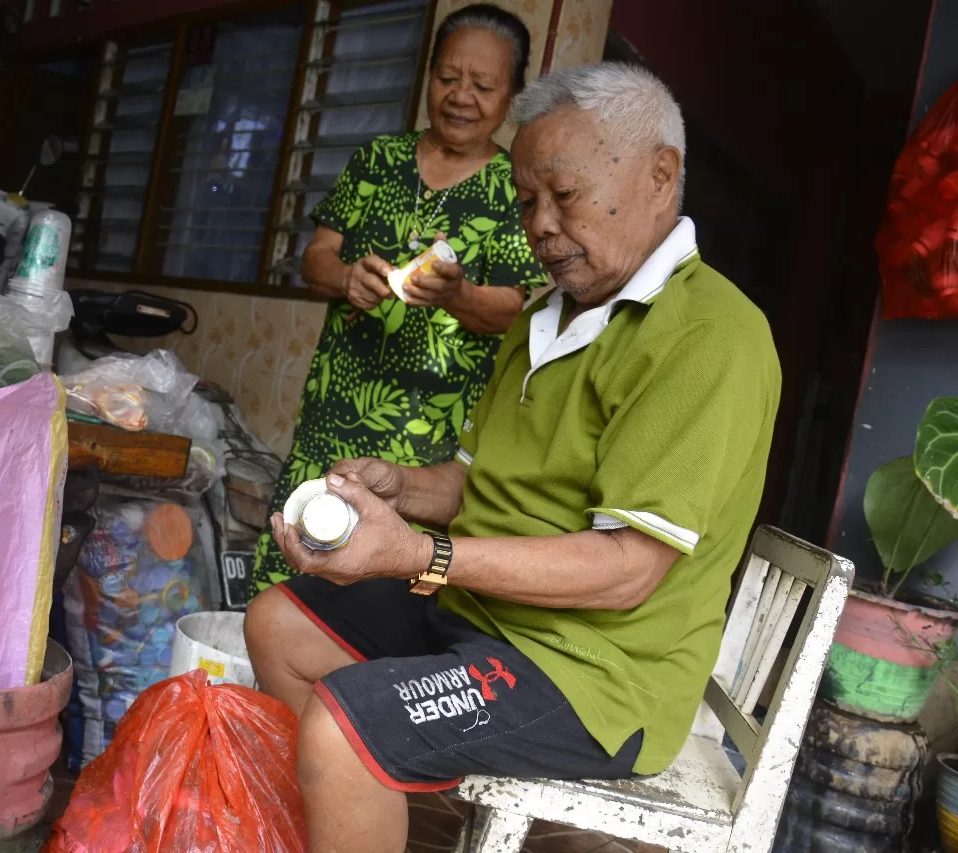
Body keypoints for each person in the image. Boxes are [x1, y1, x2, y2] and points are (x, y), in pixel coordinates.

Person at [244, 62, 782, 853]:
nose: (540, 225)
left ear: (661, 176)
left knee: (345, 727)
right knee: (276, 623)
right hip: (483, 622)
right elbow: (472, 483)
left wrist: (416, 553)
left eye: (562, 196)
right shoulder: (546, 315)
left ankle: (364, 800)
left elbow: (629, 566)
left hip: (593, 674)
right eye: (528, 201)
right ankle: (369, 826)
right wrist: (399, 489)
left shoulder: (709, 337)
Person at [250, 4, 546, 596]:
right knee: (295, 564)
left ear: (511, 97)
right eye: (447, 78)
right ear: (428, 78)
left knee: (379, 593)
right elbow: (316, 258)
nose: (461, 96)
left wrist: (458, 293)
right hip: (337, 409)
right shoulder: (379, 159)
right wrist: (344, 279)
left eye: (483, 85)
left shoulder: (515, 187)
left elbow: (513, 310)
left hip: (430, 438)